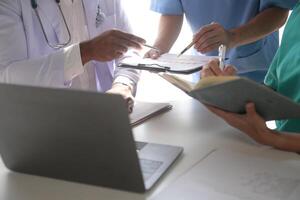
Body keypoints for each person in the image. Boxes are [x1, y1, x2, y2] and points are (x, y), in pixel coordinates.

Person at [0, 0, 146, 110]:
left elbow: (130, 49)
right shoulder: (9, 3)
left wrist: (123, 84)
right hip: (44, 124)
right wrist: (86, 52)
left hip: (105, 119)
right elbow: (8, 76)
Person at [200, 1, 300, 153]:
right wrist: (232, 92)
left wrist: (273, 138)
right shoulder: (297, 15)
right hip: (282, 153)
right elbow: (274, 92)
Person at [146, 0, 297, 82]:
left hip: (252, 71)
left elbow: (278, 11)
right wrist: (159, 47)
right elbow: (171, 11)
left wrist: (232, 37)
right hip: (203, 69)